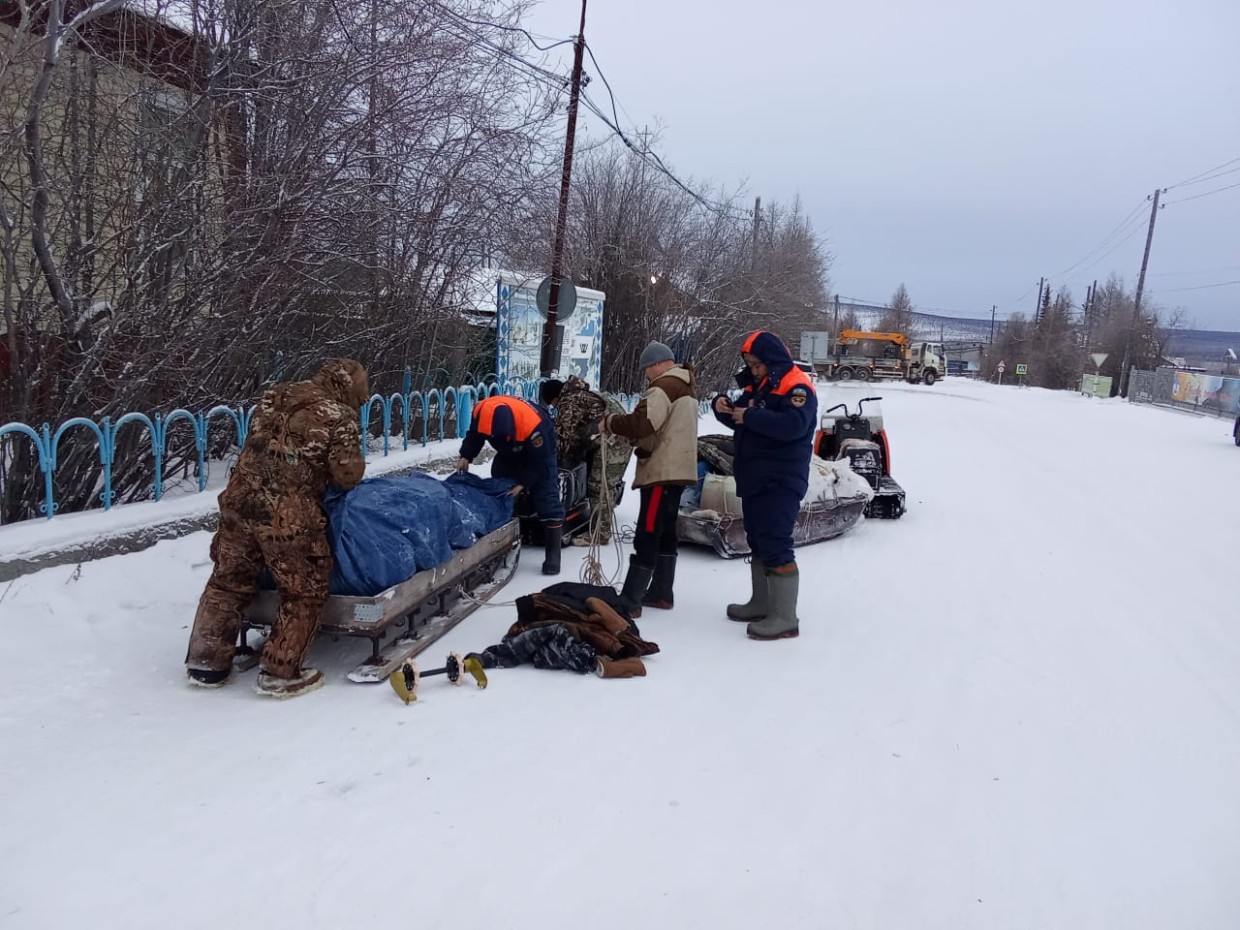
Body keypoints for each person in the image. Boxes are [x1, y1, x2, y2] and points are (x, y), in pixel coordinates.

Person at [185, 358, 369, 697]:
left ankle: (206, 662)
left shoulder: (275, 395)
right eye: (362, 393)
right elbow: (346, 476)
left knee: (228, 582)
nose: (363, 400)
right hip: (287, 514)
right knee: (303, 589)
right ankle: (282, 672)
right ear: (350, 387)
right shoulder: (339, 415)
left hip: (238, 502)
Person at [712, 331, 817, 640]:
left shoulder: (796, 387)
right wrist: (725, 411)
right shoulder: (761, 384)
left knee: (775, 542)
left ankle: (785, 618)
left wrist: (751, 415)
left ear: (771, 361)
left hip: (780, 479)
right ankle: (761, 602)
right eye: (749, 364)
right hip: (756, 476)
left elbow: (793, 425)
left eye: (756, 365)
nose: (753, 370)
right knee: (758, 540)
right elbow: (744, 418)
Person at [600, 341, 698, 615]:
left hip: (661, 471)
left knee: (648, 530)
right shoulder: (686, 385)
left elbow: (644, 423)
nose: (646, 375)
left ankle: (631, 599)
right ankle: (661, 592)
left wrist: (611, 423)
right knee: (666, 531)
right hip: (680, 469)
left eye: (647, 369)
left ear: (657, 364)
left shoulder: (663, 387)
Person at [456, 394, 565, 575]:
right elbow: (474, 435)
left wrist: (523, 482)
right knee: (500, 487)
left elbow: (540, 460)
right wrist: (466, 456)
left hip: (539, 451)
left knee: (546, 496)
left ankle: (553, 555)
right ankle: (505, 536)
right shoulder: (481, 411)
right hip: (508, 451)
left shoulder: (534, 425)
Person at [539, 376, 634, 545]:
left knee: (600, 486)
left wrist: (549, 459)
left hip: (614, 442)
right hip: (617, 439)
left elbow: (564, 438)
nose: (554, 408)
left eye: (553, 404)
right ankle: (600, 523)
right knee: (601, 483)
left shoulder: (568, 401)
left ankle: (600, 534)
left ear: (555, 398)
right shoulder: (581, 393)